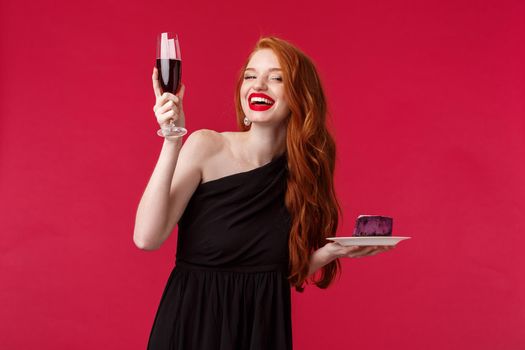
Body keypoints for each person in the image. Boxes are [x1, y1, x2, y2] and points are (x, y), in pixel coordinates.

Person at [134, 36, 394, 350]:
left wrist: (333, 252)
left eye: (276, 78)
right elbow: (146, 238)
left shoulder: (302, 172)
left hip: (260, 330)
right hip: (193, 327)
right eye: (250, 76)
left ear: (300, 95)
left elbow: (271, 272)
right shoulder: (206, 146)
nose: (259, 85)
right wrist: (172, 140)